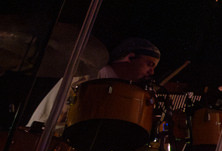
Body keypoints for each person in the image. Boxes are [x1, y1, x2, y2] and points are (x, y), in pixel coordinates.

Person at [28, 37, 161, 131]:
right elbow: (54, 122)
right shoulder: (89, 75)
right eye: (150, 64)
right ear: (130, 57)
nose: (152, 72)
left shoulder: (118, 87)